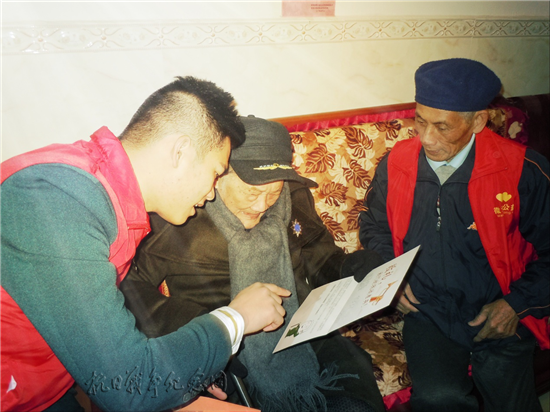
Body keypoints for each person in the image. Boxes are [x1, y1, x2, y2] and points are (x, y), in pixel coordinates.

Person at [1, 77, 290, 412]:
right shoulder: (57, 199)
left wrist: (192, 363)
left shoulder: (117, 203)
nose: (212, 193)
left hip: (48, 386)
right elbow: (128, 388)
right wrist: (236, 318)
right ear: (180, 152)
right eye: (215, 172)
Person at [120, 115, 387, 412]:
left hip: (303, 331)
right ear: (219, 176)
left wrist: (349, 268)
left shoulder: (294, 196)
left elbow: (319, 256)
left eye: (273, 193)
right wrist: (204, 328)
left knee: (354, 401)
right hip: (225, 347)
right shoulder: (179, 217)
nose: (262, 206)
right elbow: (129, 289)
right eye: (252, 192)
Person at [359, 58, 549, 412]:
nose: (426, 138)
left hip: (498, 306)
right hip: (429, 312)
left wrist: (516, 304)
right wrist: (392, 277)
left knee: (512, 403)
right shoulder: (397, 162)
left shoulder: (523, 170)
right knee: (438, 400)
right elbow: (374, 225)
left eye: (442, 127)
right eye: (420, 121)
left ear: (477, 121)